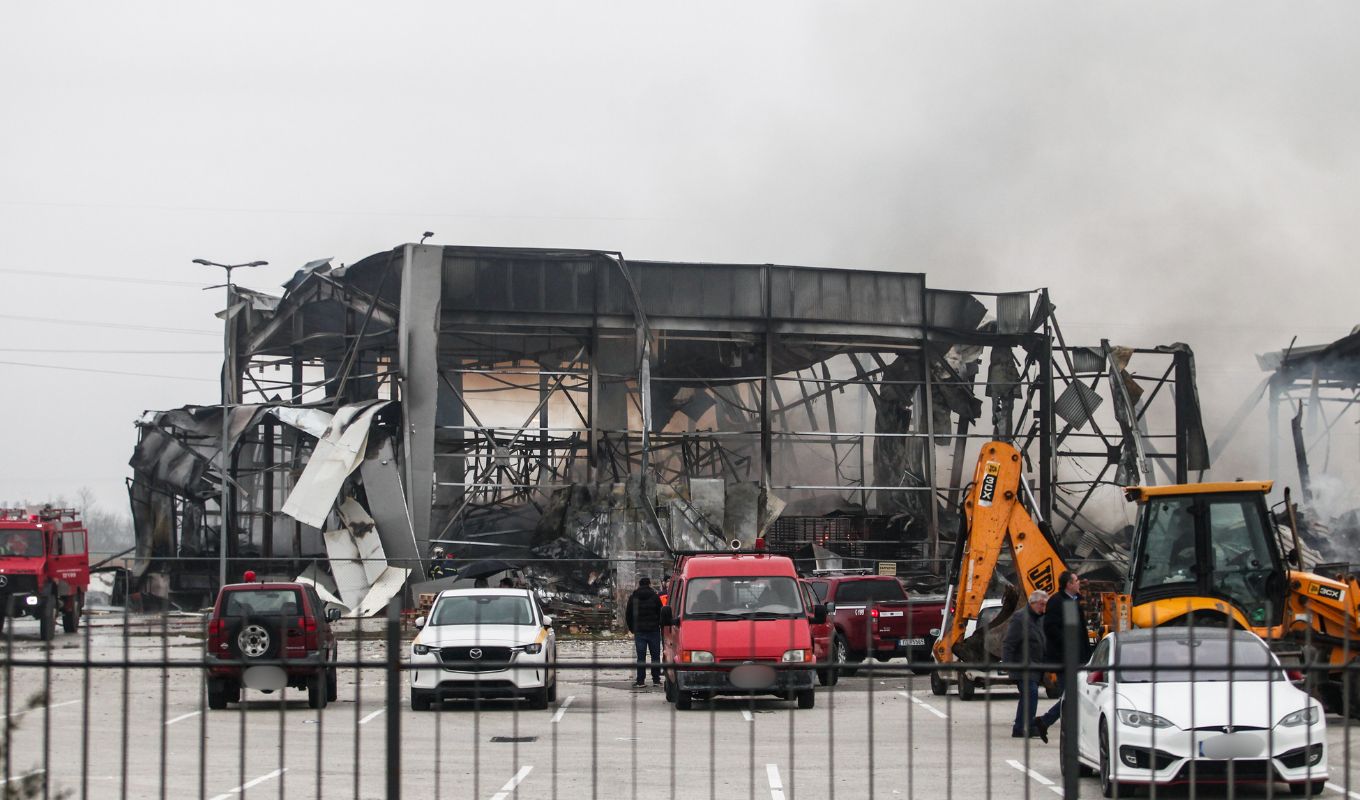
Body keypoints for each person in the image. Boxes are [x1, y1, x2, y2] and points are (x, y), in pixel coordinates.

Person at [1037, 571, 1094, 741]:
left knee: (1072, 695)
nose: (1079, 583)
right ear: (1068, 584)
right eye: (1076, 581)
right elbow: (1051, 627)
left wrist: (1085, 653)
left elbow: (1076, 630)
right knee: (1071, 696)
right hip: (1063, 658)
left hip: (1076, 657)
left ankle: (1046, 721)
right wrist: (1067, 644)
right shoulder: (1057, 601)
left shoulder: (1072, 601)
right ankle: (1049, 722)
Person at [1003, 590, 1050, 739]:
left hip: (1036, 666)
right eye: (1041, 605)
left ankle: (1018, 728)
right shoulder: (1020, 618)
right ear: (1032, 602)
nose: (1044, 608)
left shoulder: (1039, 618)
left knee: (1027, 696)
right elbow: (1008, 643)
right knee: (1031, 693)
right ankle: (1028, 726)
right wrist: (1009, 666)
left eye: (1045, 605)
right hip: (1022, 666)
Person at [625, 577, 664, 687]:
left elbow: (628, 615)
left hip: (640, 631)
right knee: (655, 656)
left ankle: (640, 681)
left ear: (639, 584)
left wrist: (632, 628)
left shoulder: (633, 597)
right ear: (649, 584)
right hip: (653, 631)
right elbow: (661, 612)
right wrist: (659, 625)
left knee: (641, 657)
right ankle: (656, 680)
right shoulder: (655, 597)